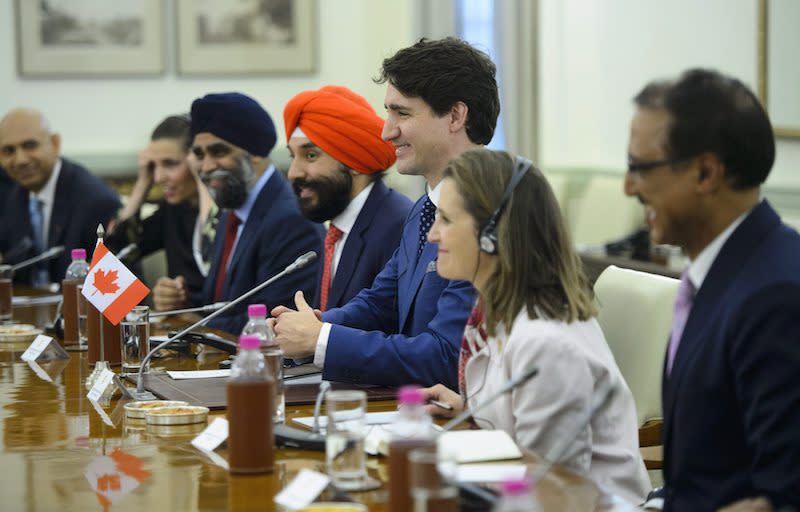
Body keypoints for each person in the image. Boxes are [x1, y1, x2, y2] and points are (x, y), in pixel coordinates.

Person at [421, 149, 650, 504]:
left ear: (492, 235)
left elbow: (554, 491)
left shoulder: (545, 345)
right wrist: (470, 414)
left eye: (447, 220)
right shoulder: (495, 313)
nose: (433, 235)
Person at [272, 37, 499, 389]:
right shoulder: (426, 207)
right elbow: (382, 303)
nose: (386, 130)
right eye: (388, 112)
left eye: (402, 113)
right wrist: (317, 324)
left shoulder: (490, 213)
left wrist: (321, 340)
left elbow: (448, 356)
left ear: (455, 116)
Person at [624, 69, 800, 511]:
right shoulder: (718, 273)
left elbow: (783, 496)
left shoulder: (776, 295)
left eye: (640, 168)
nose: (629, 187)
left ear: (706, 172)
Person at [153, 92, 322, 334]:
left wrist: (197, 324)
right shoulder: (232, 208)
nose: (207, 166)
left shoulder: (291, 220)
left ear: (254, 152)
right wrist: (181, 302)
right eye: (199, 155)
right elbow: (226, 306)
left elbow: (273, 321)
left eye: (219, 152)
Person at [284, 85, 412, 310]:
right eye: (292, 156)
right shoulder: (337, 229)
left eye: (310, 155)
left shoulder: (398, 226)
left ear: (354, 162)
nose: (293, 173)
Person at [105, 114, 217, 307]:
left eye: (170, 164)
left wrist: (201, 176)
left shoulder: (230, 211)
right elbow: (116, 255)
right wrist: (142, 183)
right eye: (153, 166)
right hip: (179, 327)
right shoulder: (173, 209)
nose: (158, 177)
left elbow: (211, 255)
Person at [0, 108, 121, 285]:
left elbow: (124, 295)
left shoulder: (97, 201)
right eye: (9, 151)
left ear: (55, 144)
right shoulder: (14, 196)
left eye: (30, 145)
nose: (20, 160)